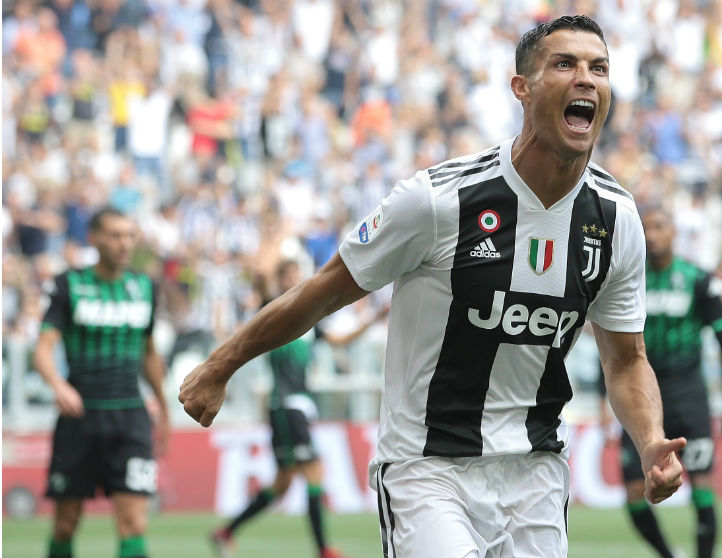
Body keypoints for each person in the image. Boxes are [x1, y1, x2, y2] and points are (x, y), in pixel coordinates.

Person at [180, 15, 685, 558]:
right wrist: (221, 364)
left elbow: (626, 358)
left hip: (536, 472)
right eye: (565, 63)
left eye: (599, 68)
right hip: (428, 468)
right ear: (522, 87)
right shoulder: (441, 201)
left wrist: (650, 437)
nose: (586, 78)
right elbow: (325, 290)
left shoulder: (615, 219)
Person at [599, 205, 722, 558]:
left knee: (703, 486)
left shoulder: (699, 280)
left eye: (660, 226)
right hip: (641, 395)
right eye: (646, 228)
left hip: (689, 394)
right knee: (633, 494)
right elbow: (612, 349)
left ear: (674, 232)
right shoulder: (630, 279)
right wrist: (604, 400)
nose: (652, 235)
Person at [35, 207, 169, 558]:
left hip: (131, 418)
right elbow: (43, 349)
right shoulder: (69, 284)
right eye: (114, 235)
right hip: (80, 418)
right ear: (93, 238)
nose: (124, 244)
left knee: (134, 524)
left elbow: (150, 352)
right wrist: (58, 385)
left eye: (129, 235)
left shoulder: (144, 287)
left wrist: (166, 408)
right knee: (66, 524)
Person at [210, 260, 341, 558]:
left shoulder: (309, 319)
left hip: (296, 406)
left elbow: (340, 340)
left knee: (282, 485)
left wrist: (373, 318)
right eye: (291, 274)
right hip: (286, 405)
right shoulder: (277, 310)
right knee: (314, 472)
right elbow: (266, 294)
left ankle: (225, 532)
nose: (297, 278)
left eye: (299, 273)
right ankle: (323, 550)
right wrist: (260, 280)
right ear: (281, 279)